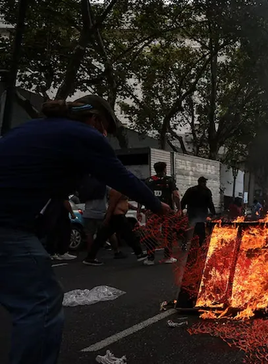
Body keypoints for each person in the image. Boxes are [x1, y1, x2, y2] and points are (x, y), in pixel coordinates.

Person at [0, 95, 167, 364]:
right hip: (7, 228)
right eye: (106, 131)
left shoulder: (29, 129)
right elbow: (120, 177)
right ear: (96, 120)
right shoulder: (82, 134)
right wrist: (158, 206)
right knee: (40, 304)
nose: (105, 137)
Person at [83, 189, 147, 265]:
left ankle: (90, 257)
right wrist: (107, 218)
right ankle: (139, 253)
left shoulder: (121, 189)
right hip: (116, 216)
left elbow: (124, 203)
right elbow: (112, 205)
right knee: (129, 234)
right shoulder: (116, 190)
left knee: (102, 237)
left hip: (117, 216)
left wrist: (135, 208)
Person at [143, 162, 180, 265]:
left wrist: (140, 210)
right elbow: (176, 195)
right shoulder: (169, 180)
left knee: (151, 233)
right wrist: (179, 208)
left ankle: (150, 259)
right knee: (167, 233)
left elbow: (142, 195)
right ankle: (167, 257)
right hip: (166, 211)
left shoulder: (148, 181)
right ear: (164, 169)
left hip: (152, 211)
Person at [180, 177, 216, 247]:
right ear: (202, 182)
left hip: (192, 213)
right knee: (200, 229)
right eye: (204, 182)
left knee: (191, 228)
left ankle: (187, 243)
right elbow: (210, 204)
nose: (205, 184)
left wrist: (181, 209)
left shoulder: (191, 190)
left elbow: (184, 201)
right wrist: (213, 213)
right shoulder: (206, 191)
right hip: (201, 214)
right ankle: (200, 244)